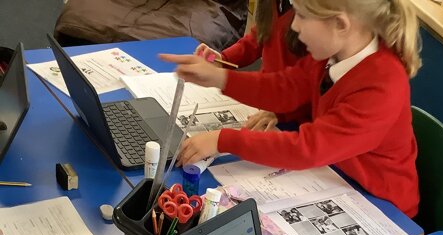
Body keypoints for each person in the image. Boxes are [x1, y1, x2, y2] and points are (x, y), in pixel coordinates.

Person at [160, 0, 421, 217]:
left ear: (341, 24)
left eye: (302, 16)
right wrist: (219, 77)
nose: (294, 26)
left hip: (382, 207)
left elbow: (308, 148)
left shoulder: (382, 84)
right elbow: (286, 87)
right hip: (335, 177)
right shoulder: (332, 53)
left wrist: (223, 140)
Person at [195, 0, 308, 130]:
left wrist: (281, 113)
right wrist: (223, 59)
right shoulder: (273, 4)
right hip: (265, 103)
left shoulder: (313, 17)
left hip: (293, 118)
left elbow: (311, 83)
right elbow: (259, 36)